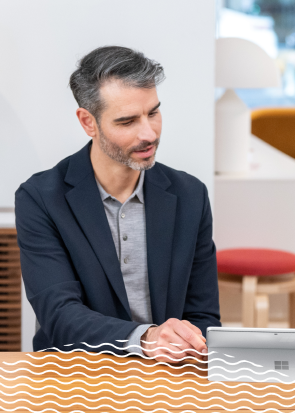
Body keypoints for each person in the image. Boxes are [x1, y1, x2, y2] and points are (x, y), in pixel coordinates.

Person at [15, 46, 219, 361]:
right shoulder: (41, 198)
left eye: (153, 112)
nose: (149, 133)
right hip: (76, 376)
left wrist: (190, 348)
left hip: (167, 374)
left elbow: (204, 316)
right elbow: (59, 315)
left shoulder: (190, 195)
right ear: (88, 122)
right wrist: (147, 338)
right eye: (127, 122)